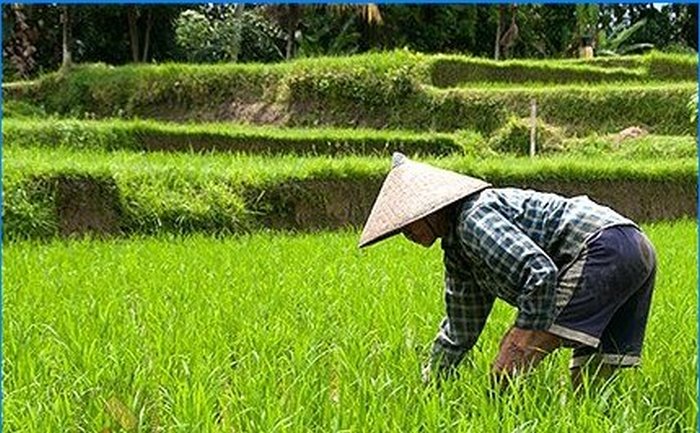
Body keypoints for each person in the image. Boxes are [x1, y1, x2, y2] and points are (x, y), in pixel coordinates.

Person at [358, 153, 656, 388]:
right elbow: (460, 331)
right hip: (633, 245)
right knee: (591, 389)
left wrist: (522, 338)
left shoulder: (473, 218)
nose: (406, 233)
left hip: (602, 248)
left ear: (430, 209)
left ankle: (498, 417)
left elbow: (539, 273)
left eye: (407, 222)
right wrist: (430, 381)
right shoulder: (459, 253)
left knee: (507, 370)